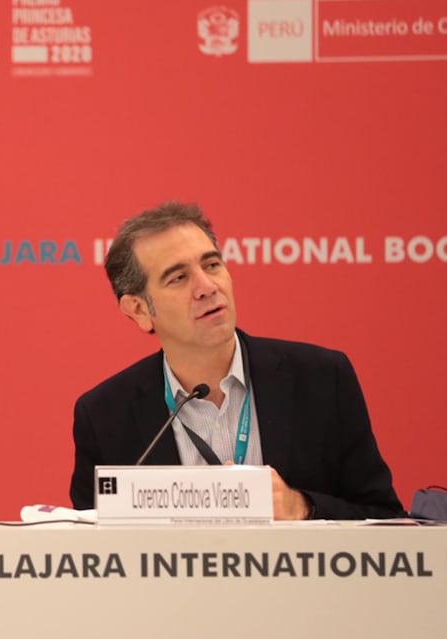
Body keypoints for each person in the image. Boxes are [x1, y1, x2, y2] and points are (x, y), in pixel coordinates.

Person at [70, 203, 403, 520]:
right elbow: (92, 554)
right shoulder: (105, 416)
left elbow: (387, 521)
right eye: (179, 278)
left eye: (212, 265)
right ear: (139, 310)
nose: (207, 286)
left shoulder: (322, 380)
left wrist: (302, 507)